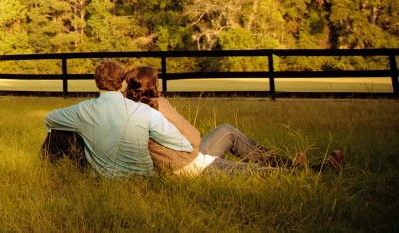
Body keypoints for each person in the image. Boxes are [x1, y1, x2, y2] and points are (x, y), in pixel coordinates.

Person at [123, 65, 344, 176]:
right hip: (189, 167)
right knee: (255, 172)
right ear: (152, 85)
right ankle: (316, 170)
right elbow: (195, 138)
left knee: (227, 131)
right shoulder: (158, 106)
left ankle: (290, 164)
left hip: (179, 161)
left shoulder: (129, 108)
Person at [42, 59, 194, 177]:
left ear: (96, 83)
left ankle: (47, 177)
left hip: (102, 179)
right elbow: (182, 144)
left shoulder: (82, 110)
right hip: (143, 179)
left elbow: (50, 119)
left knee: (57, 132)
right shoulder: (144, 110)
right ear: (122, 84)